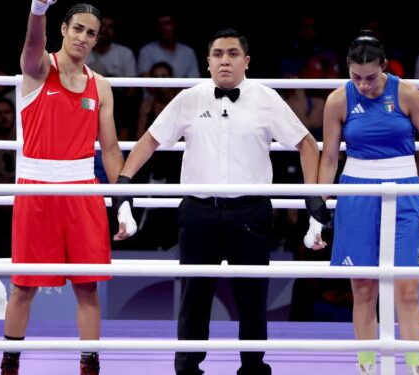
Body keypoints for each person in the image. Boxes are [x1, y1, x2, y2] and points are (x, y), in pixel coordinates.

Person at [114, 28, 326, 375]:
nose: (224, 60)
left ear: (246, 61)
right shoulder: (189, 97)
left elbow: (305, 142)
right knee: (194, 296)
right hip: (199, 211)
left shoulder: (266, 98)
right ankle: (187, 367)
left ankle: (253, 366)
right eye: (218, 54)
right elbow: (150, 140)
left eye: (231, 53)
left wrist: (312, 193)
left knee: (253, 296)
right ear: (208, 61)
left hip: (251, 212)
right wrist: (124, 183)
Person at [0, 2, 130, 375]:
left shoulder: (100, 85)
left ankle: (90, 365)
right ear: (63, 29)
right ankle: (10, 363)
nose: (83, 38)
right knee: (24, 286)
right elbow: (30, 42)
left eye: (92, 33)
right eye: (78, 29)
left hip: (82, 190)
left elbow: (108, 147)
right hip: (36, 189)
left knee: (88, 287)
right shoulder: (39, 68)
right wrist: (37, 9)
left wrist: (121, 202)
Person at [311, 32, 419, 375]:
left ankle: (416, 368)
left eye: (371, 77)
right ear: (348, 69)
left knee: (408, 290)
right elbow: (328, 157)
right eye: (356, 76)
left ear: (384, 67)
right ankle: (366, 368)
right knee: (363, 289)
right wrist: (318, 210)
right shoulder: (337, 100)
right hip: (355, 192)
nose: (364, 84)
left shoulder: (407, 93)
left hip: (403, 191)